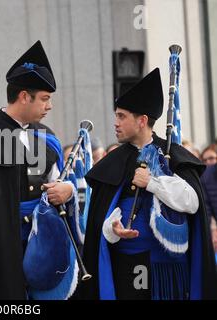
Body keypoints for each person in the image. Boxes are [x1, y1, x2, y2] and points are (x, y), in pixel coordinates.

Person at [82, 68, 217, 300]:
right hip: (127, 267)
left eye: (122, 116)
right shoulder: (112, 163)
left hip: (169, 270)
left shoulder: (175, 155)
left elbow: (192, 202)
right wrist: (112, 229)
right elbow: (101, 222)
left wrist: (152, 183)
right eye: (116, 115)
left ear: (142, 120)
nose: (115, 123)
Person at [0, 41, 74, 299]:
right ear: (24, 96)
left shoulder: (46, 136)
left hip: (42, 241)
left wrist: (66, 189)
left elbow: (58, 179)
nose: (49, 106)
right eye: (45, 99)